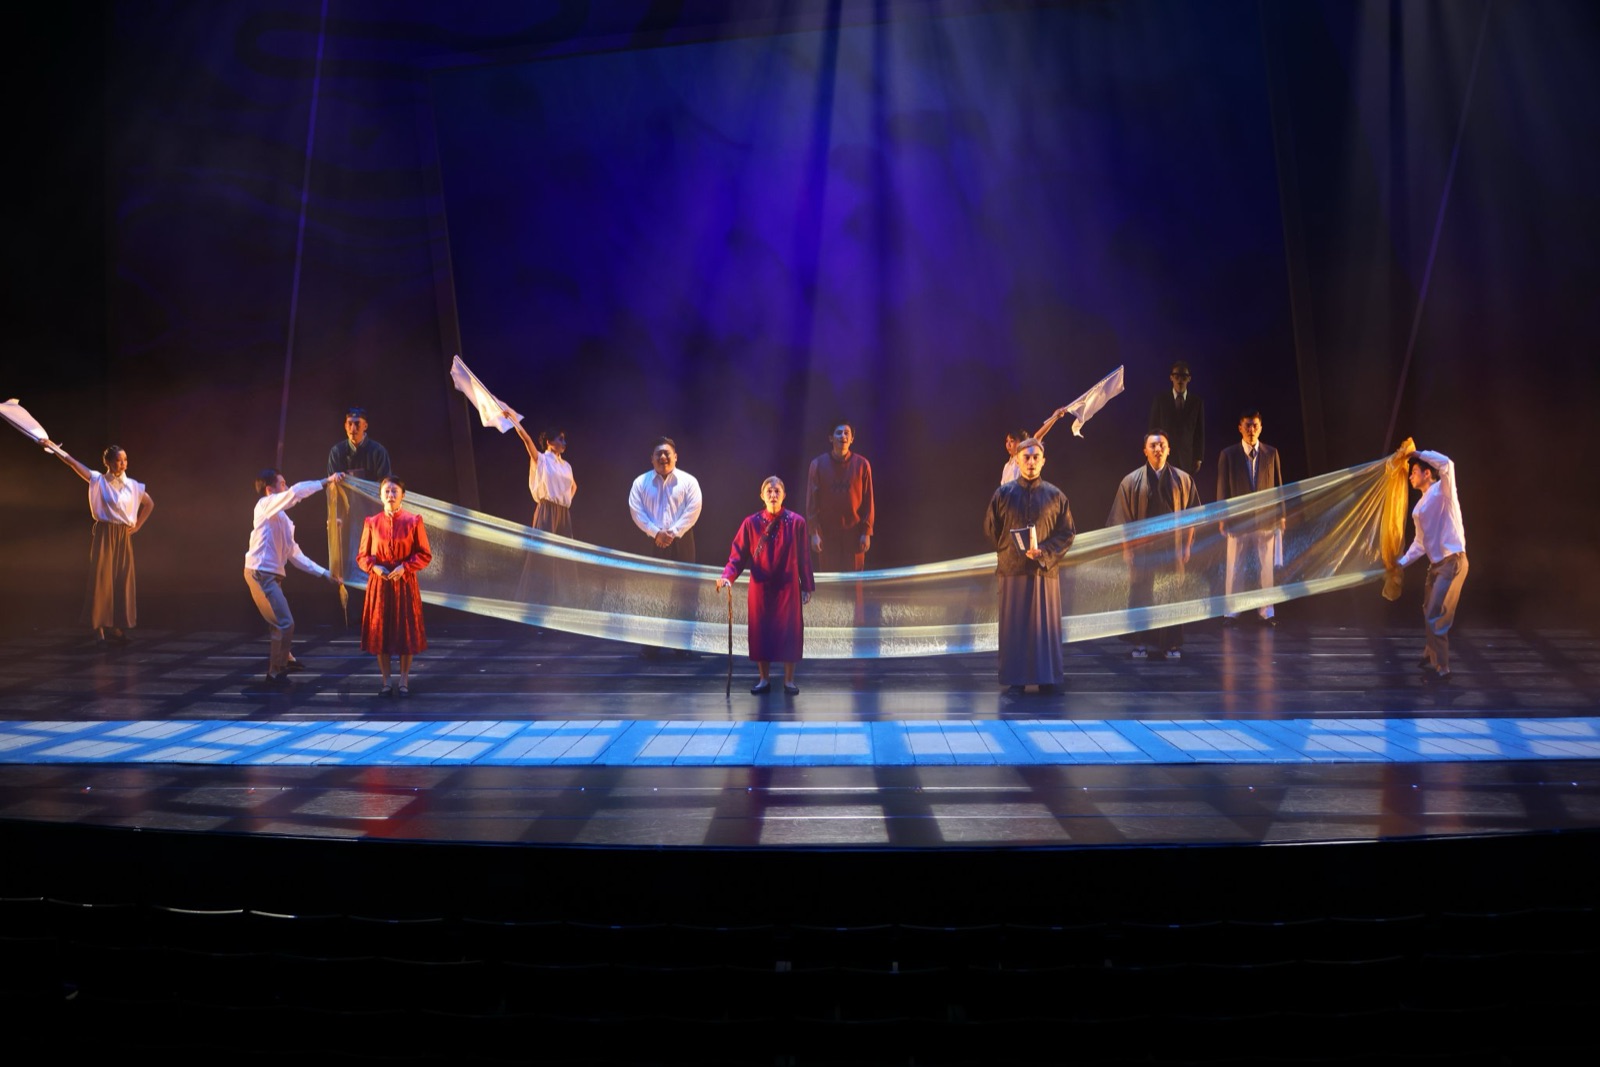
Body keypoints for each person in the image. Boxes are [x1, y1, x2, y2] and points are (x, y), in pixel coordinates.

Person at [984, 438, 1076, 693]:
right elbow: (992, 529)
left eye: (1036, 457)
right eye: (1026, 457)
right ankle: (1016, 678)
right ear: (1017, 460)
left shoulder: (1056, 496)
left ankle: (1047, 678)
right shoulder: (1003, 494)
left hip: (1043, 571)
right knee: (1014, 626)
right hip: (1012, 570)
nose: (1032, 462)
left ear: (1043, 460)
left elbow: (1067, 533)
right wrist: (1011, 550)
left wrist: (1044, 552)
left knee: (1043, 627)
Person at [44, 441, 154, 644]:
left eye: (125, 460)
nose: (123, 464)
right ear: (109, 463)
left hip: (123, 535)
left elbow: (149, 503)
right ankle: (99, 628)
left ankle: (117, 627)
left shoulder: (133, 486)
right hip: (105, 533)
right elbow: (73, 464)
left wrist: (137, 526)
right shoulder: (98, 480)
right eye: (119, 461)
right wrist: (53, 447)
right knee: (102, 579)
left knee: (121, 579)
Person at [717, 476, 816, 694]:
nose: (773, 495)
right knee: (761, 631)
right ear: (762, 496)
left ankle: (789, 680)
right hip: (761, 588)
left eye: (777, 491)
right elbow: (737, 556)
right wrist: (727, 576)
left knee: (790, 631)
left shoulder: (796, 522)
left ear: (784, 495)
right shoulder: (751, 523)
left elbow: (804, 557)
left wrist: (807, 585)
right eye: (769, 492)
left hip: (788, 587)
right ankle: (764, 678)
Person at [244, 469, 343, 686]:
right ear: (270, 490)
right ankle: (276, 670)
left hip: (271, 576)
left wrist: (325, 574)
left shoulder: (284, 521)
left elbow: (295, 555)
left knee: (279, 623)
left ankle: (283, 660)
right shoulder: (264, 505)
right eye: (283, 484)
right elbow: (296, 492)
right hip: (260, 573)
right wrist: (325, 481)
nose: (286, 487)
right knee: (284, 622)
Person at [1108, 430, 1201, 659]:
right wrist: (1127, 550)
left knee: (1171, 594)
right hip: (1143, 549)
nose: (1158, 449)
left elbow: (1192, 516)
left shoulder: (1183, 479)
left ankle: (1171, 644)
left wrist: (1187, 546)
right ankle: (1140, 643)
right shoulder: (1131, 481)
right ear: (1145, 451)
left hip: (1172, 548)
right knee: (1141, 594)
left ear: (1169, 449)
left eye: (1162, 445)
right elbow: (1123, 521)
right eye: (1153, 445)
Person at [1392, 449, 1467, 682]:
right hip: (1435, 566)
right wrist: (1400, 563)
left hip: (1452, 561)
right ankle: (1430, 651)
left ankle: (1442, 665)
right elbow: (1420, 543)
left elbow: (1447, 463)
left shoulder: (1442, 491)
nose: (1410, 476)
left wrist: (1419, 453)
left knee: (1437, 612)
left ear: (1427, 473)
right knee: (1427, 608)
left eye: (1414, 472)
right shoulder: (1419, 508)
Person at [357, 476, 432, 696]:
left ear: (403, 496)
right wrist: (374, 567)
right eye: (387, 491)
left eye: (394, 491)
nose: (390, 495)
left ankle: (404, 679)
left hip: (404, 582)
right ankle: (386, 681)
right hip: (380, 584)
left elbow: (425, 554)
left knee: (405, 632)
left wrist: (405, 567)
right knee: (381, 632)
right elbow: (361, 556)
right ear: (380, 495)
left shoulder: (413, 521)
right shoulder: (371, 522)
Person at [1214, 409, 1284, 626]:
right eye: (1247, 425)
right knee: (1235, 566)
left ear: (1260, 427)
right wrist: (1222, 518)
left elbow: (1279, 486)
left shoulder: (1271, 453)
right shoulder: (1229, 454)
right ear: (1240, 428)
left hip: (1265, 519)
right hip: (1238, 520)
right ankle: (1231, 612)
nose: (1251, 430)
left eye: (1255, 425)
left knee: (1266, 567)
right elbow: (1222, 489)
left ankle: (1267, 612)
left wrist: (1281, 515)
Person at [806, 423, 875, 571]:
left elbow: (869, 501)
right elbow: (812, 502)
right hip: (828, 534)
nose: (843, 436)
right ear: (831, 438)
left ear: (852, 439)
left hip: (854, 534)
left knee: (855, 582)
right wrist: (814, 533)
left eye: (846, 433)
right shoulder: (818, 464)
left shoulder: (862, 464)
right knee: (830, 582)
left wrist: (866, 532)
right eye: (838, 433)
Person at [628, 437, 702, 564]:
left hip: (682, 540)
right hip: (650, 540)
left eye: (667, 453)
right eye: (658, 454)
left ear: (675, 457)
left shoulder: (690, 481)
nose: (663, 457)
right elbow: (636, 511)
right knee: (648, 581)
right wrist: (656, 533)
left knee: (683, 582)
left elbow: (693, 510)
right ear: (652, 459)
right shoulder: (640, 482)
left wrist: (672, 533)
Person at [509, 412, 575, 537]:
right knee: (544, 549)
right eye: (560, 439)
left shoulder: (566, 465)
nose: (564, 442)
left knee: (564, 553)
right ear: (549, 442)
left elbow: (574, 486)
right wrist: (515, 422)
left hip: (564, 513)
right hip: (547, 510)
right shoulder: (542, 459)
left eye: (564, 439)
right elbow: (527, 440)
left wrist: (564, 500)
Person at [1148, 361, 1204, 486]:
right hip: (1164, 456)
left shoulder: (1196, 402)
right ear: (1171, 377)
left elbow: (1199, 432)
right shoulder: (1161, 400)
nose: (1180, 380)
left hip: (1187, 458)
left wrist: (1198, 457)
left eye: (1183, 377)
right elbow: (1153, 429)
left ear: (1189, 379)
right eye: (1177, 376)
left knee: (1184, 492)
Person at [1001, 405, 1072, 485]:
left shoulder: (1024, 457)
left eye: (1012, 441)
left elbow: (1037, 436)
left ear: (1022, 443)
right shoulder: (1006, 466)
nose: (1008, 444)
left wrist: (1055, 416)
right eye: (1007, 441)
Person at [326, 406, 392, 479]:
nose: (353, 428)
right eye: (350, 424)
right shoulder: (337, 451)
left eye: (357, 424)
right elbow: (332, 482)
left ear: (365, 426)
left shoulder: (378, 451)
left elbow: (385, 483)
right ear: (345, 426)